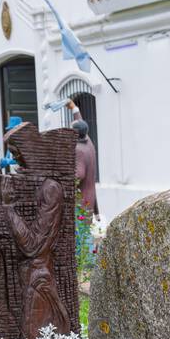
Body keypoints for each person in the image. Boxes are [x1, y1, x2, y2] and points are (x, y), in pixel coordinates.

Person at [66, 100, 98, 268]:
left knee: (82, 232)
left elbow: (78, 174)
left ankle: (88, 264)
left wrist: (64, 183)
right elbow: (81, 123)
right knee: (83, 230)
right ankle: (86, 261)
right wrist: (74, 108)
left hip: (81, 199)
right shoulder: (88, 142)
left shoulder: (78, 150)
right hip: (90, 195)